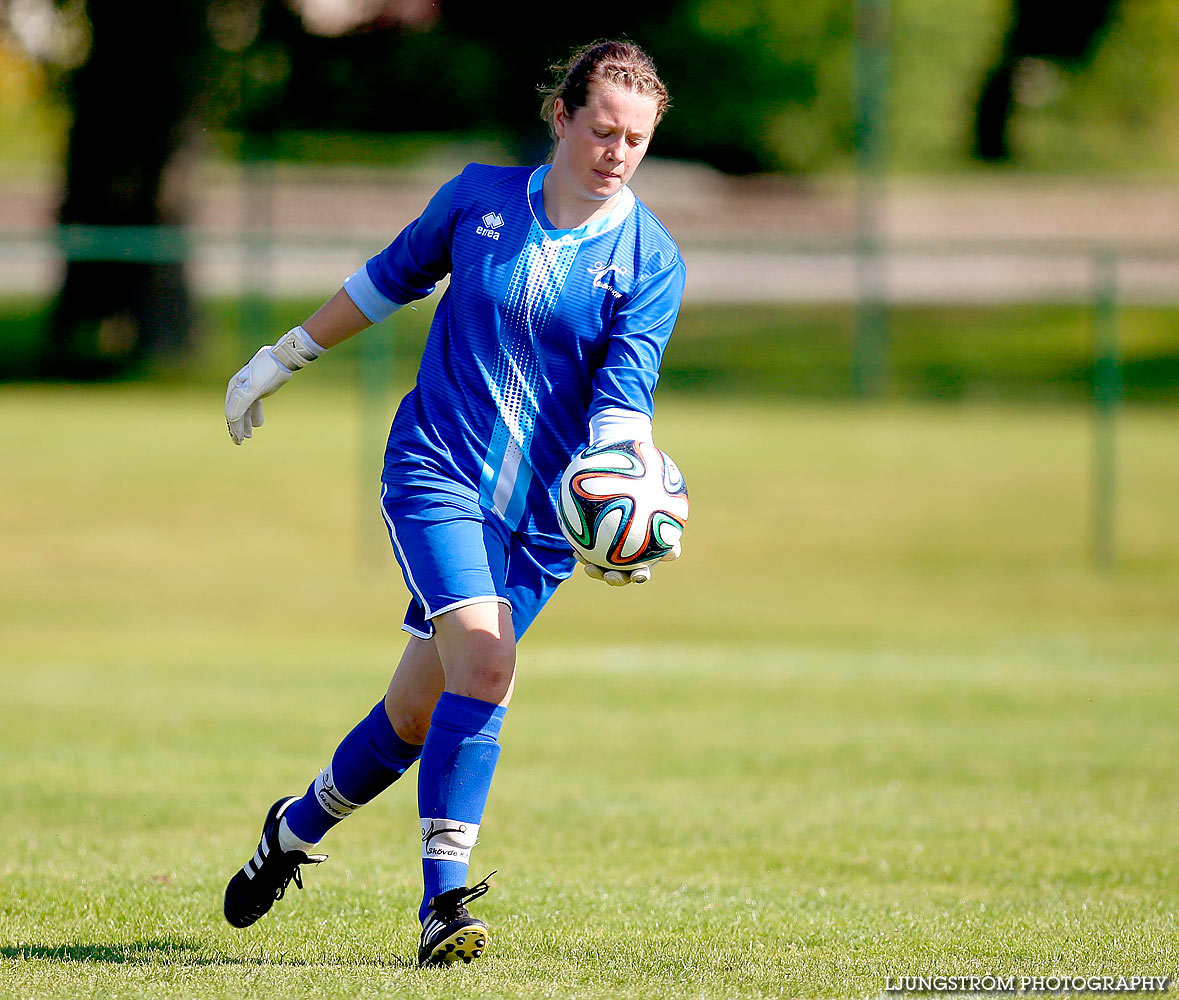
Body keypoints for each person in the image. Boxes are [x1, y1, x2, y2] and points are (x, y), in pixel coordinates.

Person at [220, 39, 686, 968]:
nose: (616, 153)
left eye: (635, 140)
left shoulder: (650, 256)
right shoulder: (477, 198)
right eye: (602, 130)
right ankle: (444, 905)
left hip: (544, 524)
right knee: (485, 660)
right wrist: (281, 357)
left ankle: (293, 827)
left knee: (414, 711)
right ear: (560, 116)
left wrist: (628, 478)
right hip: (437, 470)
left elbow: (625, 389)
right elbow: (387, 279)